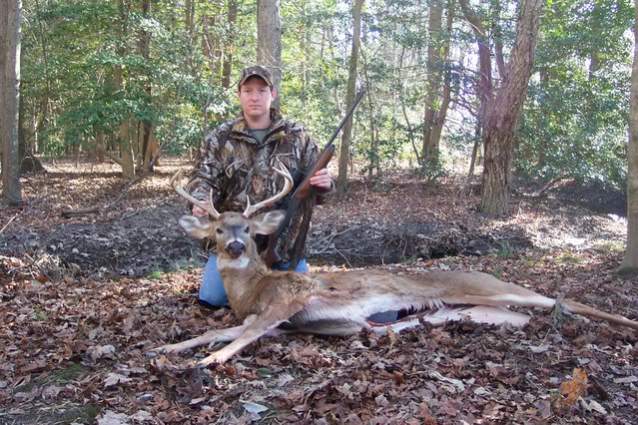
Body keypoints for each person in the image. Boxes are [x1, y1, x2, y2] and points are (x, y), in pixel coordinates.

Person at [186, 65, 333, 308]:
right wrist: (199, 199)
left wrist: (326, 184)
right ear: (239, 95)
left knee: (305, 302)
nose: (255, 97)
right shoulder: (221, 138)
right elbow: (202, 177)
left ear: (272, 94)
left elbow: (318, 182)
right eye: (248, 90)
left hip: (283, 240)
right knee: (212, 299)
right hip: (235, 241)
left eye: (262, 90)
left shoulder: (297, 136)